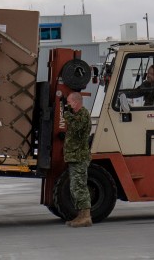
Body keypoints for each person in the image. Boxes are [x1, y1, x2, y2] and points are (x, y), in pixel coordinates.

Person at [63, 91, 92, 228]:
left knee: (80, 186)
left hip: (79, 156)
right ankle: (81, 215)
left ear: (76, 102)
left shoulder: (83, 115)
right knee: (75, 186)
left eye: (69, 102)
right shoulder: (77, 115)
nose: (68, 105)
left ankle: (86, 216)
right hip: (75, 156)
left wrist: (66, 114)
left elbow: (75, 127)